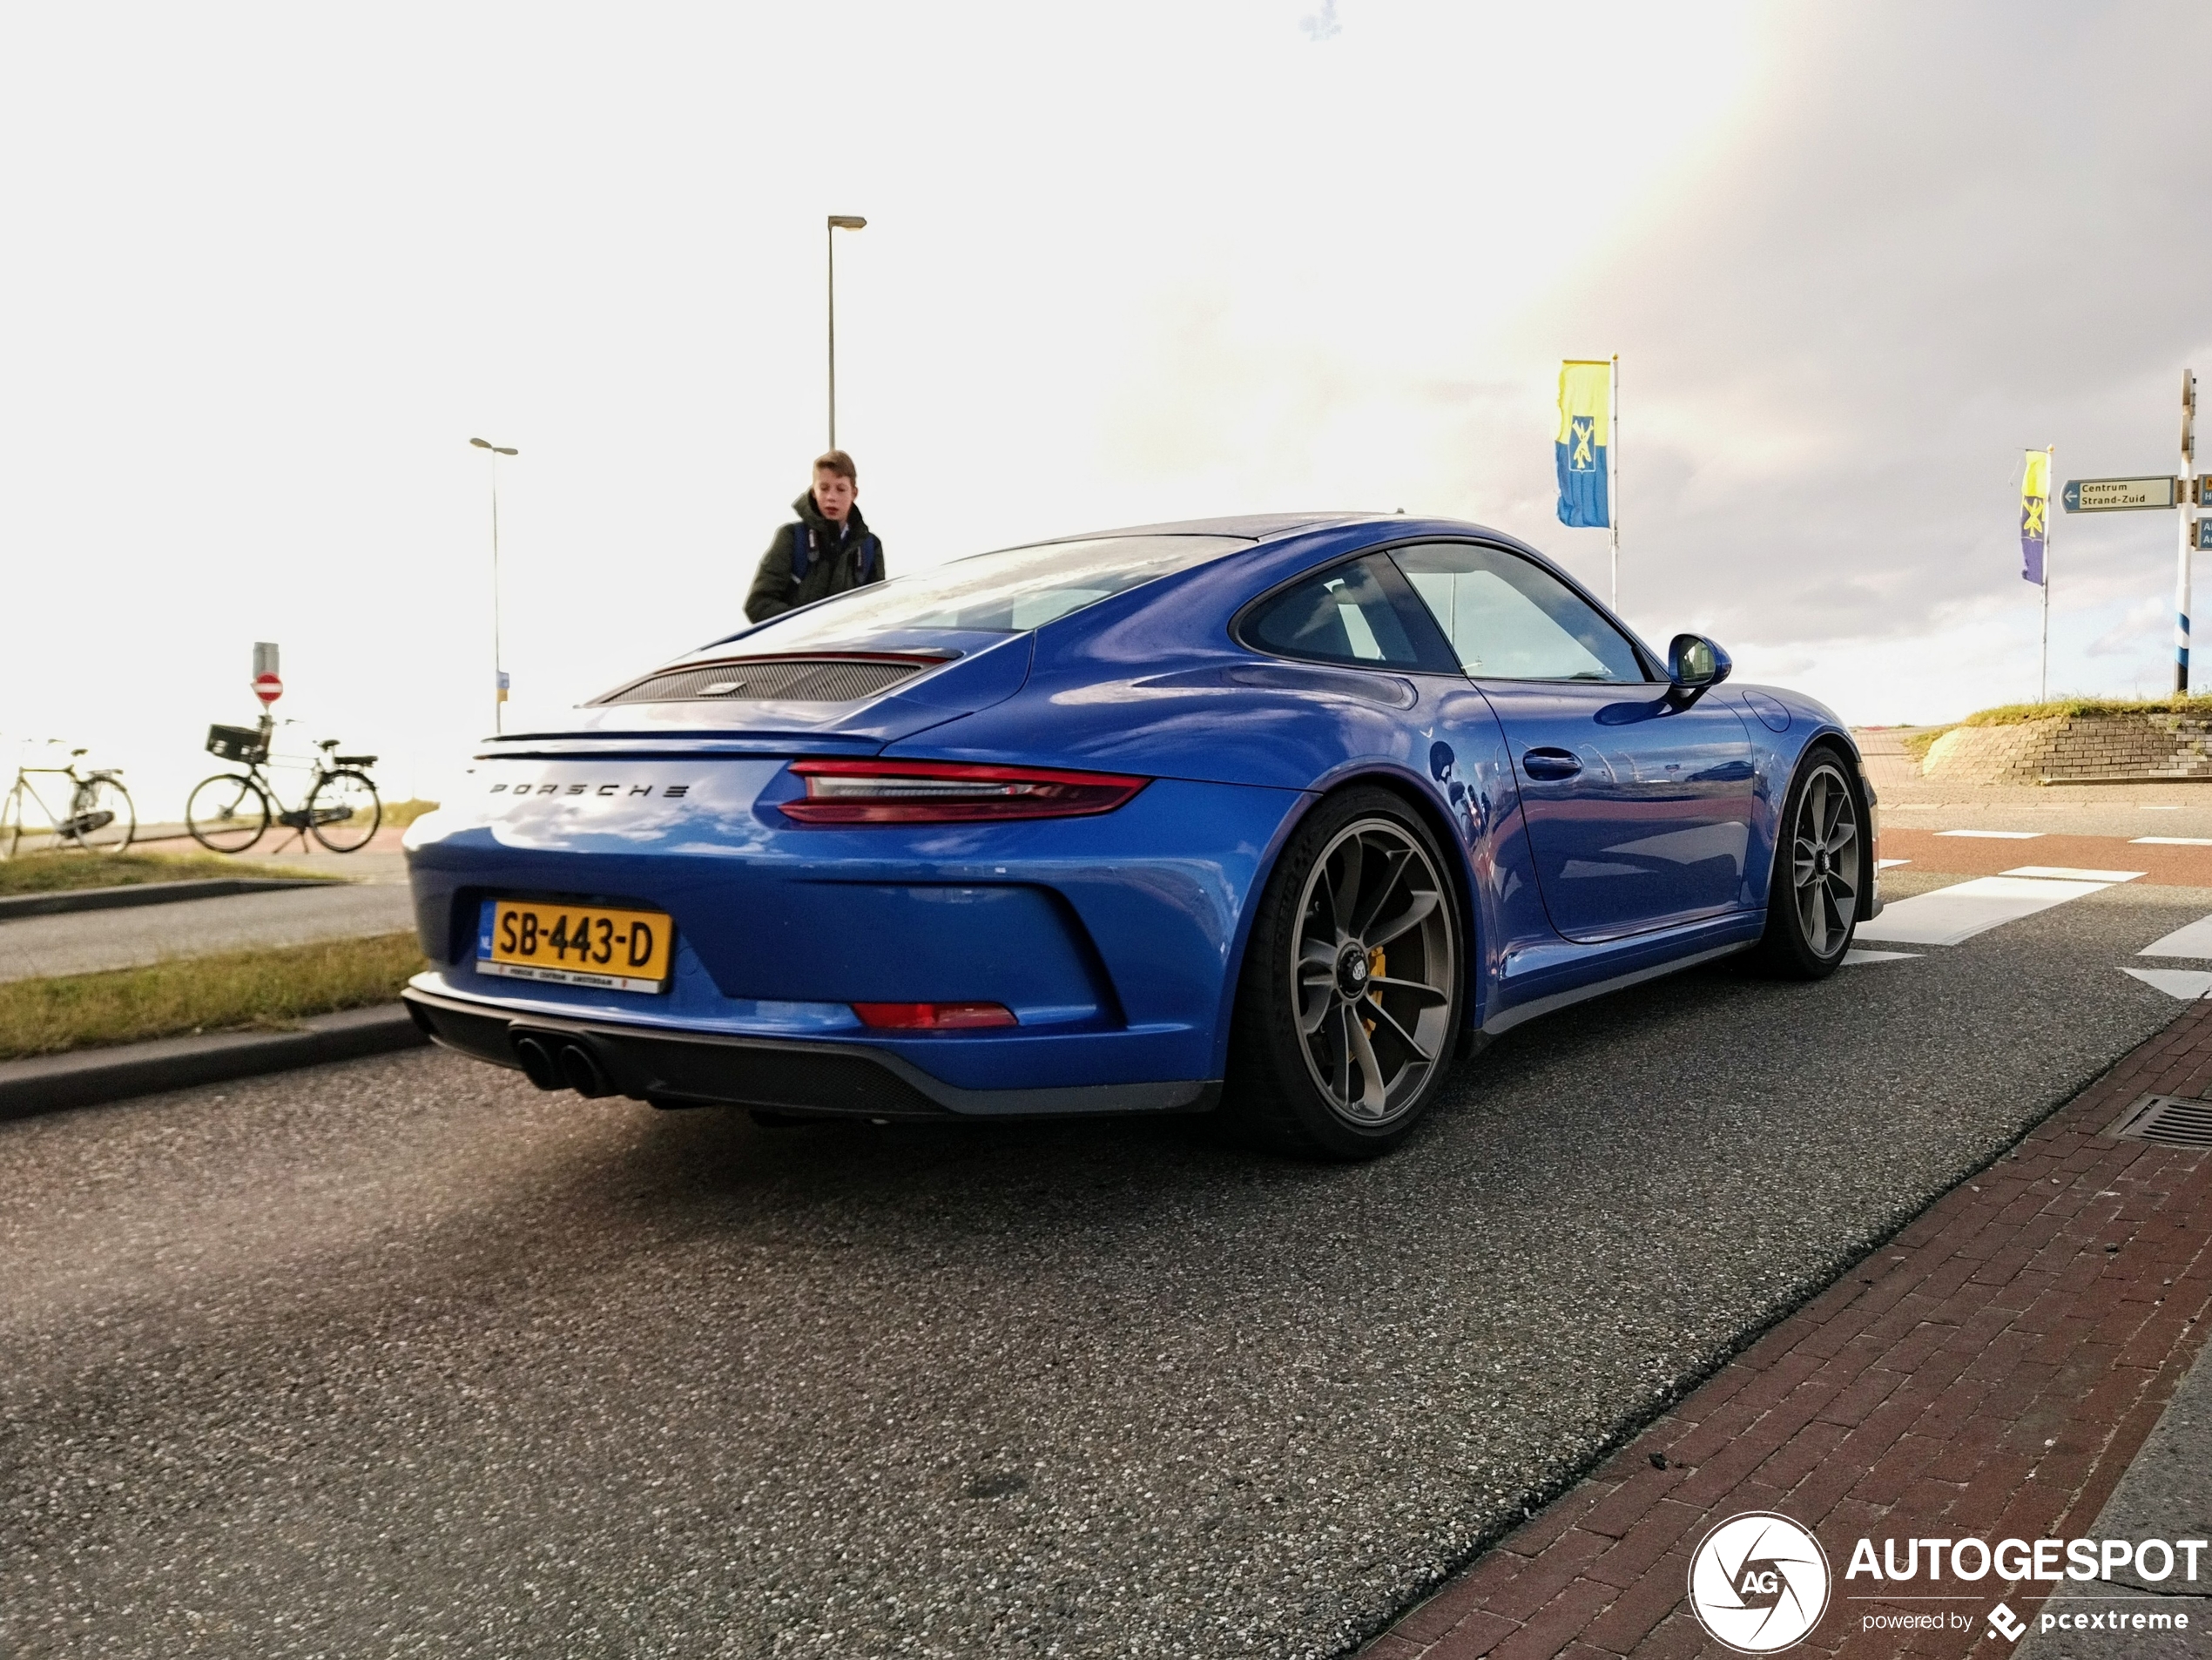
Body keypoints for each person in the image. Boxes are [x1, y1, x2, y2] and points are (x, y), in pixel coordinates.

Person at [744, 449, 885, 623]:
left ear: (854, 493)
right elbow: (758, 605)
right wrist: (810, 624)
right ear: (813, 492)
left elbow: (877, 612)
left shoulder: (869, 547)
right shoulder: (791, 538)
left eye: (841, 489)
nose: (831, 497)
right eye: (824, 488)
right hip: (797, 647)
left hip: (845, 648)